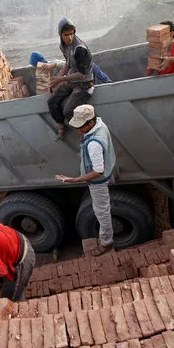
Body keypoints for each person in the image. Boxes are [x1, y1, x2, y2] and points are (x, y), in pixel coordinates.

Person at [55, 105, 116, 256]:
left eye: (81, 127)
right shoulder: (100, 125)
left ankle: (106, 243)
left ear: (90, 123)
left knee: (102, 212)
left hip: (98, 182)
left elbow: (98, 171)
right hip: (108, 170)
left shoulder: (94, 144)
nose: (78, 130)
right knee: (101, 209)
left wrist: (75, 180)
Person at [47, 18, 95, 140]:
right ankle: (62, 126)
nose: (69, 37)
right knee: (52, 102)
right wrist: (58, 77)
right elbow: (68, 64)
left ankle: (87, 132)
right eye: (66, 35)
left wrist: (61, 79)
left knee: (69, 111)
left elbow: (81, 74)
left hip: (84, 84)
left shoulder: (79, 49)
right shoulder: (64, 46)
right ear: (60, 35)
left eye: (71, 34)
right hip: (71, 80)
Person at [29, 52, 111, 84]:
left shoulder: (51, 64)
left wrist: (53, 65)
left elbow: (64, 64)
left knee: (90, 64)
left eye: (36, 66)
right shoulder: (42, 74)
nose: (37, 68)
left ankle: (106, 81)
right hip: (71, 83)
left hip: (76, 76)